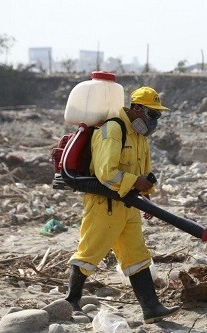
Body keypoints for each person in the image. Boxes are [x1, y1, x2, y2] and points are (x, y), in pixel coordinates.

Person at [64, 86, 180, 324]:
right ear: (136, 108)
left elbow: (142, 172)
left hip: (128, 206)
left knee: (136, 256)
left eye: (158, 115)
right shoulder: (113, 129)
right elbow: (107, 174)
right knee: (89, 253)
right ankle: (71, 302)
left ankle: (152, 308)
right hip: (104, 204)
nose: (154, 121)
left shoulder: (139, 136)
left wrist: (146, 194)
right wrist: (134, 182)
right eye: (152, 114)